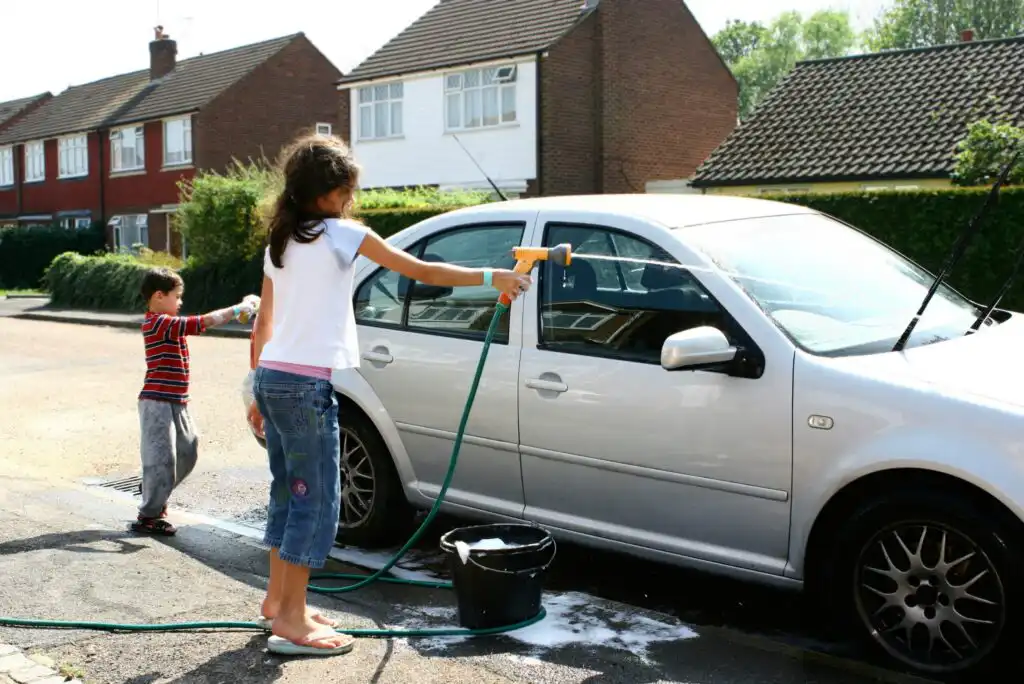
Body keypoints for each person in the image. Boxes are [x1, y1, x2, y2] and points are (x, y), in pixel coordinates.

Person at [248, 133, 532, 657]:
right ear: (330, 193)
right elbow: (421, 271)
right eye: (348, 191)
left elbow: (263, 321)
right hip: (306, 384)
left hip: (272, 379)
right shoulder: (343, 234)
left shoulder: (280, 242)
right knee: (318, 503)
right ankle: (290, 620)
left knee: (289, 495)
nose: (351, 201)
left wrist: (254, 391)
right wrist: (496, 277)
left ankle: (278, 601)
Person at [134, 268, 257, 535]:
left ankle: (154, 490)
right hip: (156, 401)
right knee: (161, 458)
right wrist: (240, 308)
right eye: (176, 296)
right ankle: (149, 514)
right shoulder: (157, 323)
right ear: (158, 296)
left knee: (189, 451)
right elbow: (202, 322)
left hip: (178, 400)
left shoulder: (166, 321)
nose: (180, 302)